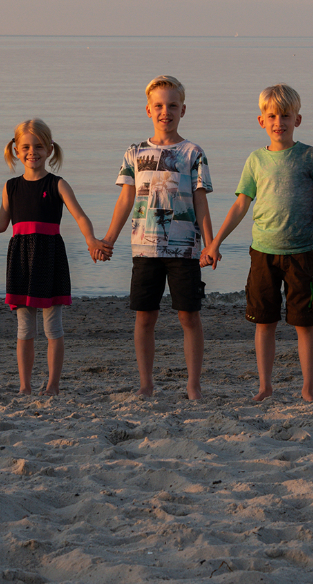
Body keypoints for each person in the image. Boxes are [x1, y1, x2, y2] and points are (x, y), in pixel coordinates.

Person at [201, 84, 313, 402]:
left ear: (297, 119)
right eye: (272, 115)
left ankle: (308, 388)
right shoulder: (256, 160)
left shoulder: (309, 156)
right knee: (265, 323)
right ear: (261, 120)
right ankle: (264, 386)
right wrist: (214, 243)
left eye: (285, 115)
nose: (279, 122)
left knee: (305, 323)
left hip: (301, 253)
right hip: (263, 253)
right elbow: (240, 205)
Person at [0, 119, 110, 395]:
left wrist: (91, 240)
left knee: (52, 325)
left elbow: (80, 215)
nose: (33, 152)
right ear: (16, 150)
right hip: (20, 258)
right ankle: (25, 386)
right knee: (24, 326)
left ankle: (53, 384)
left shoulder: (58, 184)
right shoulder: (11, 187)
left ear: (50, 149)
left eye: (39, 146)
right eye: (27, 147)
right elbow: (0, 224)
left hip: (49, 256)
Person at [101, 75, 215, 399]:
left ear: (183, 110)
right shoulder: (134, 152)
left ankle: (193, 384)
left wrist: (210, 244)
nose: (166, 111)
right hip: (144, 248)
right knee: (145, 317)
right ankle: (146, 383)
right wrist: (108, 239)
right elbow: (125, 199)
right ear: (148, 110)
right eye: (160, 106)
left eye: (173, 106)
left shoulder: (194, 152)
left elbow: (200, 200)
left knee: (188, 316)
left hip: (185, 249)